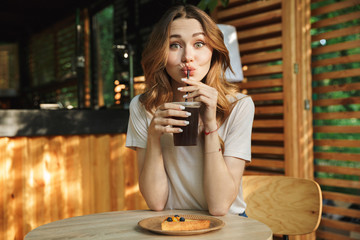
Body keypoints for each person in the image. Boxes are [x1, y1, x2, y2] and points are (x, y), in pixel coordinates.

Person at [125, 4, 254, 216]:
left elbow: (220, 206)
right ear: (161, 53)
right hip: (174, 222)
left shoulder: (239, 106)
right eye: (175, 45)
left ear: (213, 50)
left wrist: (211, 125)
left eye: (199, 43)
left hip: (230, 224)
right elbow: (156, 203)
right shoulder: (143, 107)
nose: (188, 56)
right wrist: (153, 137)